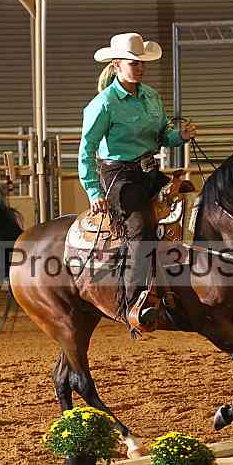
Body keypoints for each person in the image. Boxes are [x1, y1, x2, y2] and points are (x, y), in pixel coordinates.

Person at [77, 32, 197, 334]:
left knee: (188, 202)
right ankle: (134, 303)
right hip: (119, 177)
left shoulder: (151, 96)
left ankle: (180, 285)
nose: (140, 68)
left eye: (142, 63)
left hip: (148, 172)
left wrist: (179, 136)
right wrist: (93, 191)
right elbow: (86, 150)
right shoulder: (103, 104)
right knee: (141, 228)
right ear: (117, 65)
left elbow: (162, 134)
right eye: (134, 63)